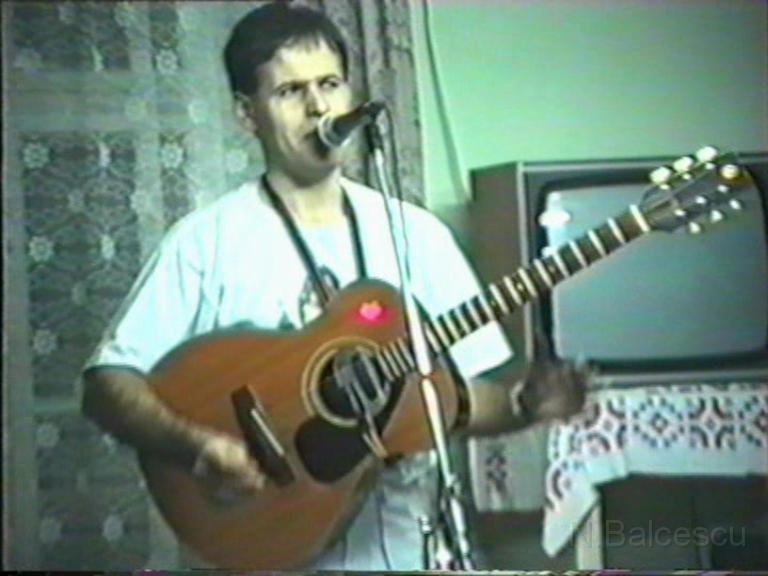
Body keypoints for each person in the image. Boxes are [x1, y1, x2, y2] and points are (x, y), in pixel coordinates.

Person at [81, 2, 585, 570]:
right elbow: (106, 385)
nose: (318, 106)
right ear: (248, 115)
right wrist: (197, 445)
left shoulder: (416, 235)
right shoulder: (204, 242)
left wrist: (523, 406)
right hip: (264, 551)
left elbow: (456, 400)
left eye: (330, 84)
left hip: (405, 553)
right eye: (290, 91)